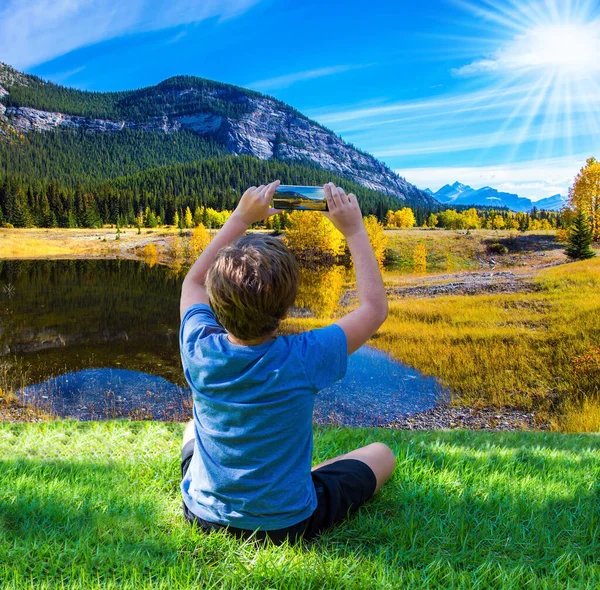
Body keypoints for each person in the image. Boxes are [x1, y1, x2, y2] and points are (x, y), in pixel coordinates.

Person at [179, 180, 395, 544]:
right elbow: (374, 310)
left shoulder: (198, 346)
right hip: (285, 523)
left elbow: (193, 282)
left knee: (190, 429)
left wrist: (240, 218)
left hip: (202, 514)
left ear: (217, 299)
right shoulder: (304, 356)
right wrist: (355, 230)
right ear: (286, 305)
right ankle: (295, 478)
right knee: (381, 454)